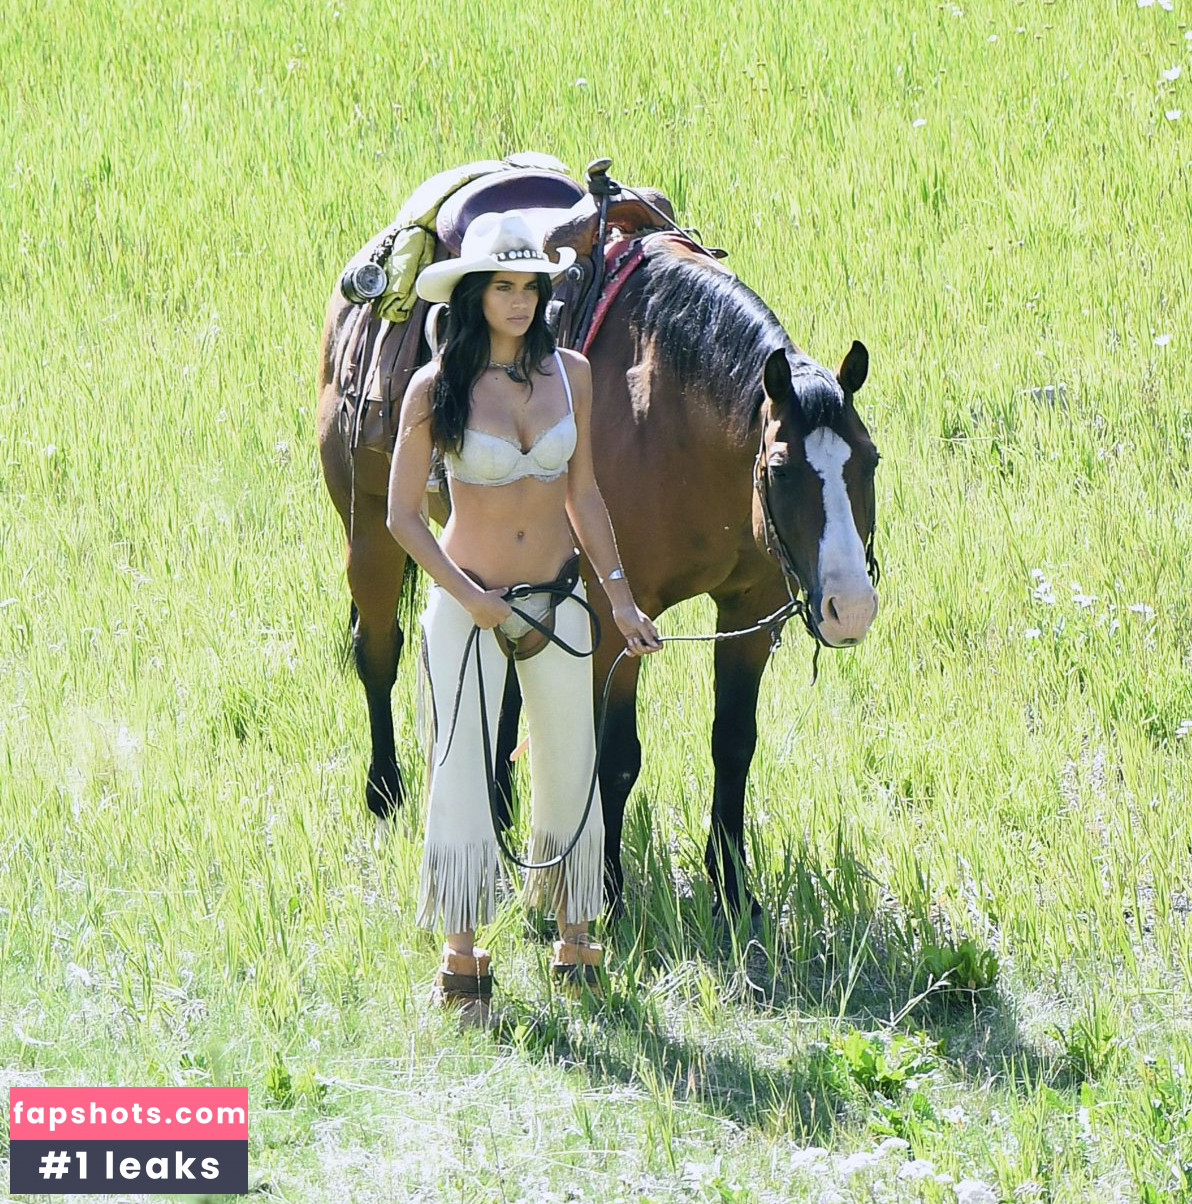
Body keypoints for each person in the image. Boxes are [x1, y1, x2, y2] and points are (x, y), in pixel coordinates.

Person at [386, 210, 661, 1022]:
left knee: (573, 766)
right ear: (473, 295)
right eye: (501, 286)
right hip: (468, 602)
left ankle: (575, 937)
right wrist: (469, 597)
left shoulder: (570, 373)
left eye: (529, 287)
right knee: (460, 768)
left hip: (557, 598)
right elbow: (405, 516)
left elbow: (582, 494)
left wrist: (617, 595)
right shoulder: (435, 389)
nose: (518, 300)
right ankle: (461, 952)